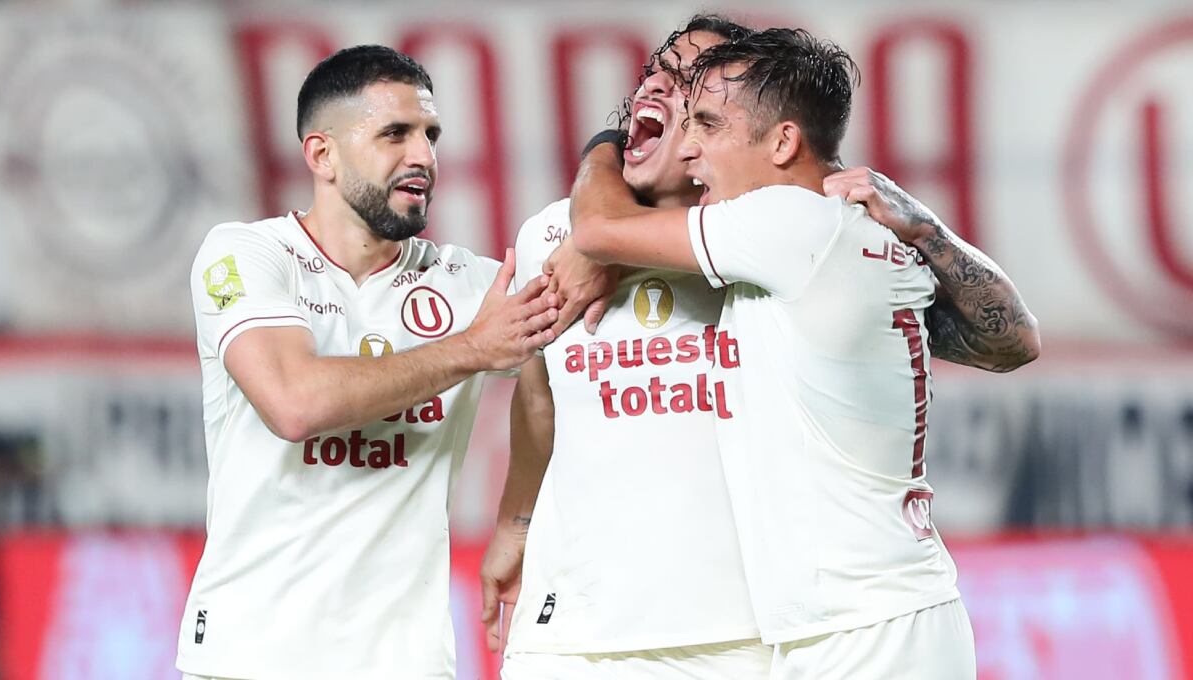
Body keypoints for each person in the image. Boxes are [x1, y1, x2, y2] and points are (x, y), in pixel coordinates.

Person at [490, 20, 1039, 680]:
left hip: (854, 622)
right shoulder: (820, 233)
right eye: (660, 73)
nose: (692, 137)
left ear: (780, 139)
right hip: (827, 623)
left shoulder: (785, 226)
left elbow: (605, 226)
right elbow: (1014, 338)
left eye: (707, 116)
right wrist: (923, 227)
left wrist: (599, 170)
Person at [177, 45, 558, 680]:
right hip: (248, 658)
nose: (424, 157)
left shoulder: (469, 285)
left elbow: (554, 368)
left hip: (405, 663)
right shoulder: (245, 256)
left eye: (431, 135)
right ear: (322, 155)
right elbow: (294, 403)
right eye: (395, 134)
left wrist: (517, 525)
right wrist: (472, 349)